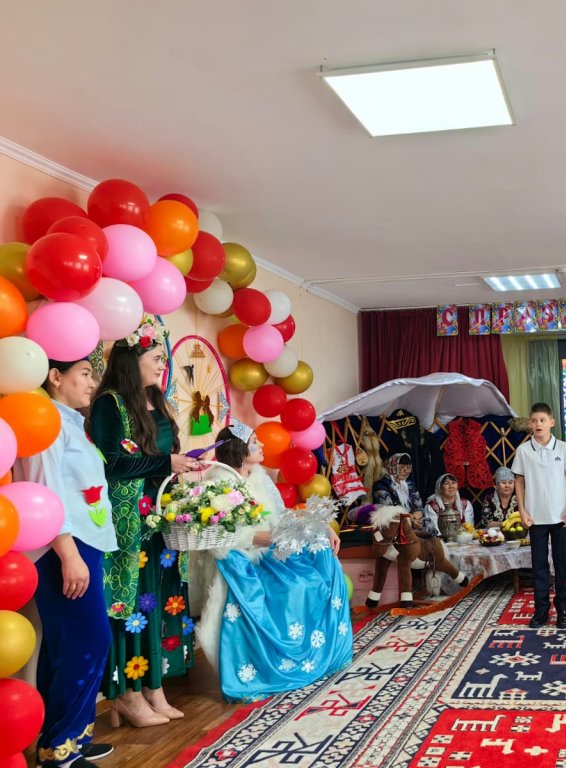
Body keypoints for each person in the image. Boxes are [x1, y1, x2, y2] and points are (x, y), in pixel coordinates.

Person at [87, 315, 199, 727]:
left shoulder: (159, 402)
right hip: (129, 523)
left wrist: (184, 470)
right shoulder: (110, 403)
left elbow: (165, 456)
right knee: (130, 604)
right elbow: (111, 464)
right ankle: (127, 693)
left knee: (159, 600)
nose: (162, 365)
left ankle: (155, 686)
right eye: (156, 357)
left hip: (160, 520)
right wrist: (166, 462)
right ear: (131, 360)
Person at [189, 423, 352, 701]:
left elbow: (281, 514)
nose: (262, 445)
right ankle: (271, 665)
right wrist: (261, 537)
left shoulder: (259, 477)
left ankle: (321, 652)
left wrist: (320, 527)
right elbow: (219, 537)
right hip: (244, 559)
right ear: (239, 449)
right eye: (255, 441)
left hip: (271, 550)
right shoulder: (218, 484)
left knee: (320, 562)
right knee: (294, 589)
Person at [19, 357, 117, 767]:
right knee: (87, 641)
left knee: (70, 644)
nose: (93, 382)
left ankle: (66, 738)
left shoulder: (70, 421)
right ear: (56, 376)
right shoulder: (45, 422)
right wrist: (68, 553)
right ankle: (61, 748)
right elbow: (44, 492)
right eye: (85, 373)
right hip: (63, 548)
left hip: (83, 544)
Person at [512, 403, 566, 629]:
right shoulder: (523, 451)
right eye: (534, 421)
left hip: (561, 517)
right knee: (539, 566)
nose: (538, 424)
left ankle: (563, 611)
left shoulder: (563, 448)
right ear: (530, 424)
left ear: (551, 422)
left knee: (562, 565)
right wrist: (522, 510)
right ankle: (541, 611)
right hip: (535, 518)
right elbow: (519, 481)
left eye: (542, 420)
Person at [372, 453, 424, 531]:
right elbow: (388, 510)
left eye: (408, 467)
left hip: (412, 522)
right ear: (393, 467)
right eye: (401, 467)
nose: (405, 471)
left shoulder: (410, 485)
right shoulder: (381, 485)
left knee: (428, 524)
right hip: (394, 524)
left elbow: (419, 507)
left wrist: (417, 518)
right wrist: (409, 519)